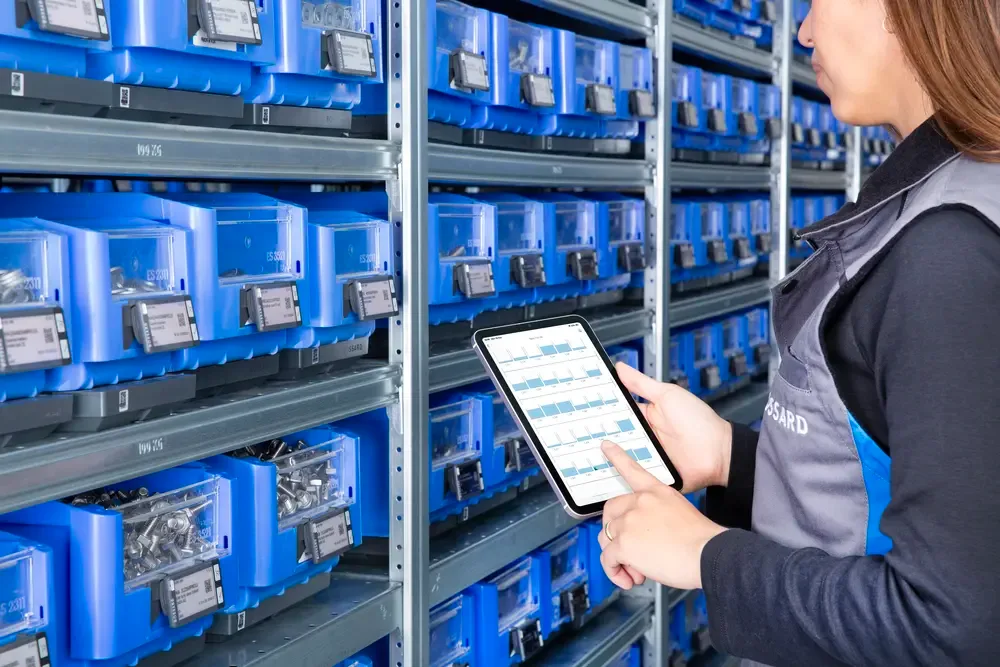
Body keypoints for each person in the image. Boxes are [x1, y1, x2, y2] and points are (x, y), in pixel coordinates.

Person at [596, 1, 1000, 665]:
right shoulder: (951, 195)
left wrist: (704, 554)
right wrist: (729, 456)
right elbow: (908, 492)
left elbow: (950, 627)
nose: (805, 30)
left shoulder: (949, 251)